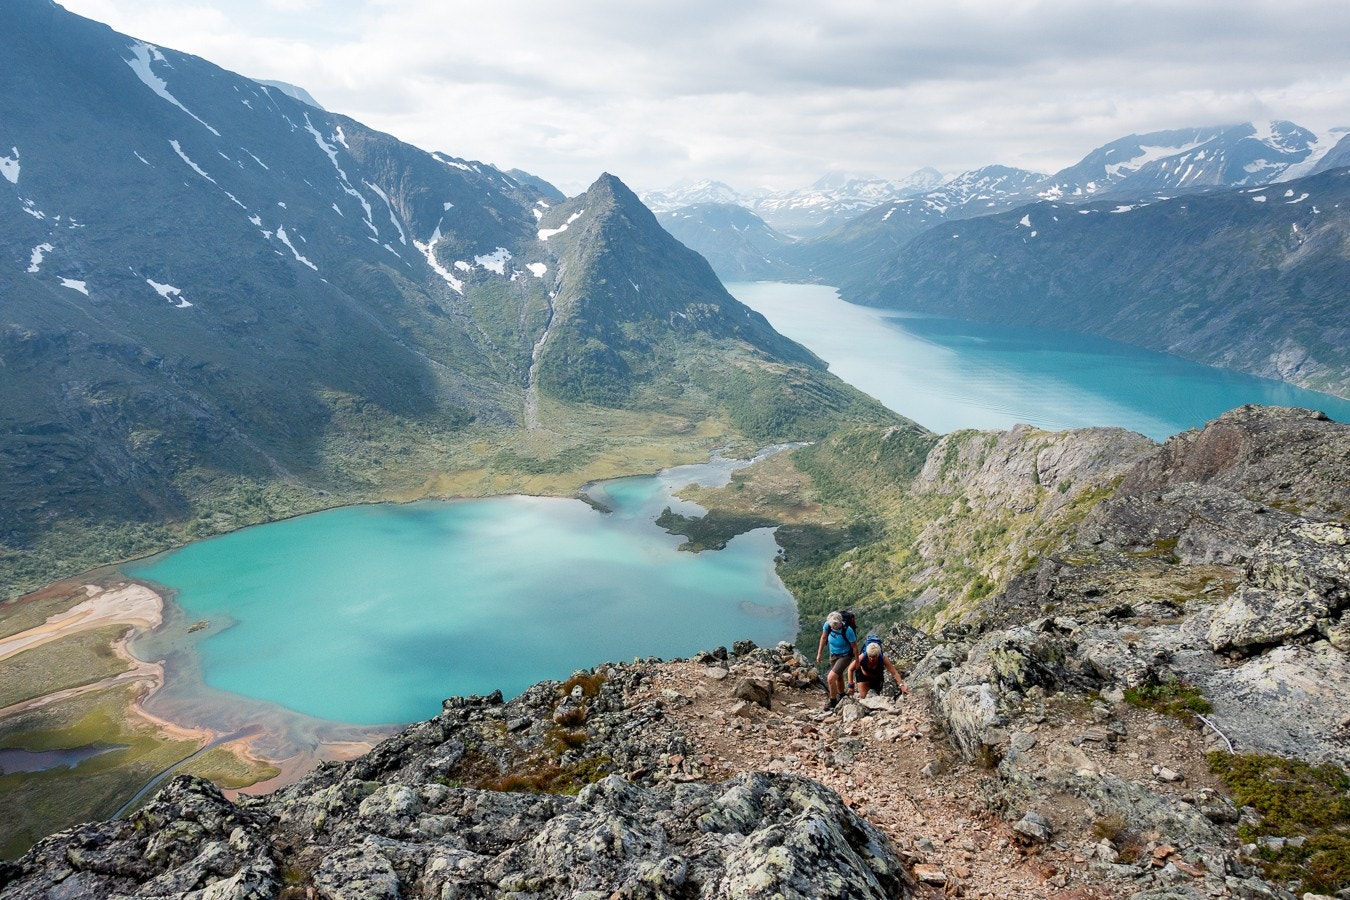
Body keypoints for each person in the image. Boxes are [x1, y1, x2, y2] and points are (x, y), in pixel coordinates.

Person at [815, 610, 859, 710]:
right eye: (831, 626)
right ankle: (842, 694)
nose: (832, 628)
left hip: (845, 656)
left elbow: (855, 647)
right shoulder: (828, 625)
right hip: (833, 654)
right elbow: (823, 638)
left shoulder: (847, 630)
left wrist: (857, 662)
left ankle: (833, 701)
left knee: (830, 678)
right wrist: (819, 654)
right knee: (838, 676)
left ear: (839, 623)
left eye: (834, 626)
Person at [848, 636, 910, 700]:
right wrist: (851, 686)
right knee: (863, 697)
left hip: (877, 678)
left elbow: (894, 673)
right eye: (870, 656)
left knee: (876, 698)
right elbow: (850, 669)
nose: (871, 659)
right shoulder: (862, 657)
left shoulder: (883, 659)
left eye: (874, 657)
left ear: (878, 655)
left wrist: (901, 685)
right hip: (863, 676)